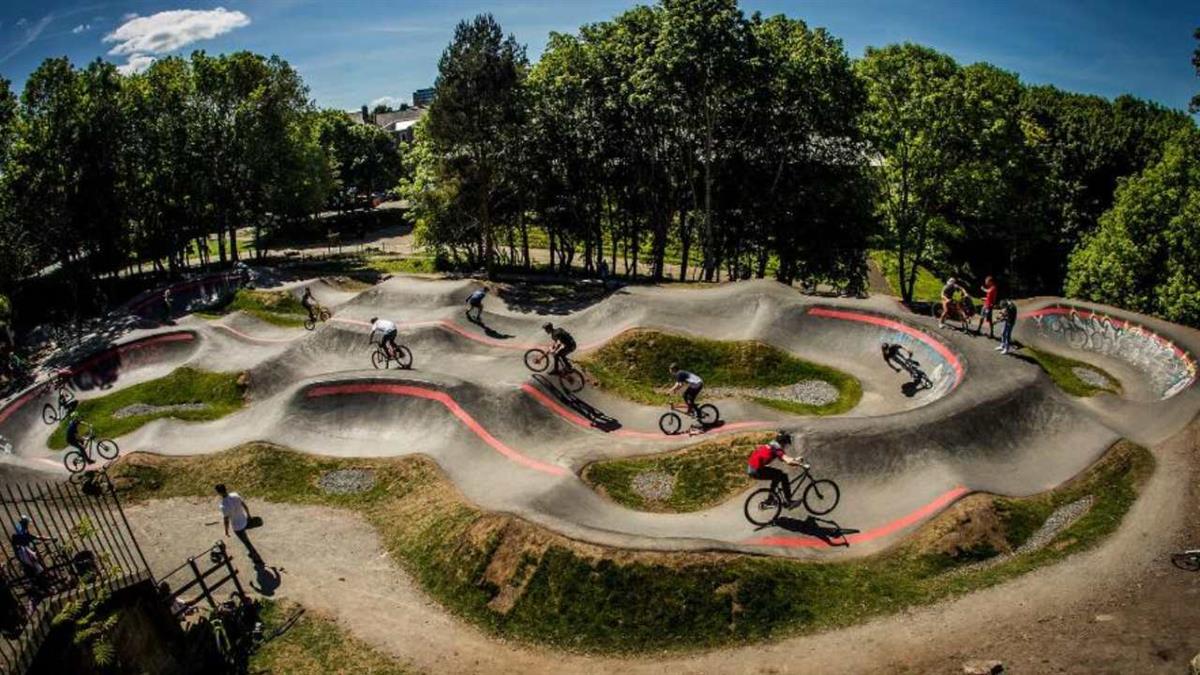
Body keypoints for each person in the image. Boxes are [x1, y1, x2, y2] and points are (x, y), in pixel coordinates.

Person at [746, 432, 805, 508]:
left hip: (752, 467)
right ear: (783, 442)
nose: (785, 446)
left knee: (778, 475)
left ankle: (770, 499)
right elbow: (788, 461)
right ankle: (789, 501)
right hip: (756, 470)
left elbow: (785, 459)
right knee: (783, 476)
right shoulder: (777, 449)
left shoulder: (773, 444)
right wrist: (802, 465)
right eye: (786, 444)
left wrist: (796, 460)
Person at [216, 484, 263, 566]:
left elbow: (226, 520)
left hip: (237, 527)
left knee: (247, 543)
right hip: (244, 520)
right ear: (225, 488)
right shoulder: (235, 495)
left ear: (218, 493)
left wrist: (226, 531)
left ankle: (257, 559)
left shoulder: (223, 506)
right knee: (247, 538)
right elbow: (245, 506)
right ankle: (252, 553)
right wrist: (249, 515)